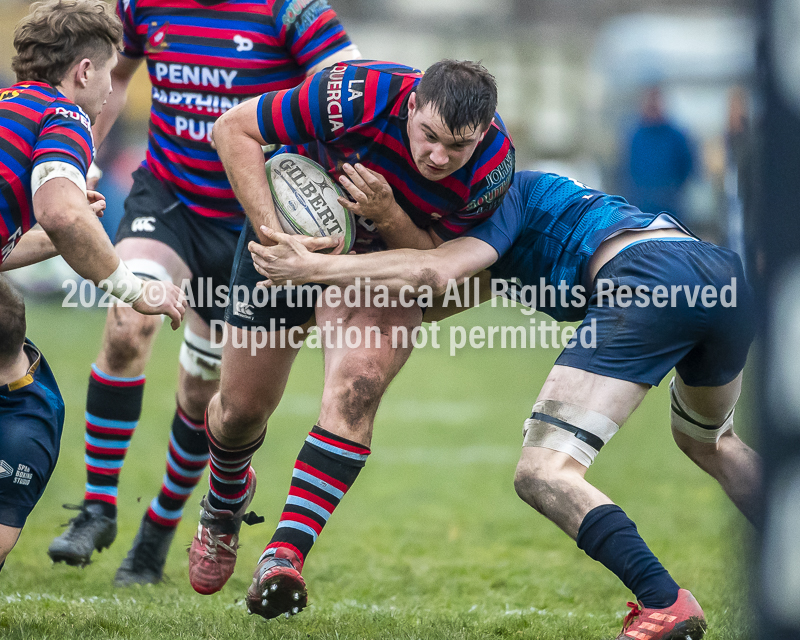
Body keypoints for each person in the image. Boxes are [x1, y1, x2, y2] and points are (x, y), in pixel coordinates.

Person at [249, 170, 759, 640]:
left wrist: (312, 266)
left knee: (543, 473)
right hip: (717, 275)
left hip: (648, 279)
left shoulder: (500, 202)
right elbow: (430, 297)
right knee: (711, 441)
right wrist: (324, 306)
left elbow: (429, 270)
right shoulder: (507, 240)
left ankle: (664, 601)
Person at [47, 0, 361, 586]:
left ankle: (157, 534)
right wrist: (79, 156)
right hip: (167, 198)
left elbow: (348, 92)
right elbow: (112, 76)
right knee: (126, 324)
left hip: (252, 224)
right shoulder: (140, 5)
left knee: (202, 397)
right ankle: (97, 507)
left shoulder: (292, 12)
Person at [192, 58, 515, 618]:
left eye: (456, 146)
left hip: (379, 267)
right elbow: (233, 130)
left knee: (358, 387)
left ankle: (283, 556)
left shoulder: (491, 171)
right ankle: (224, 499)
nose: (437, 156)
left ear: (482, 134)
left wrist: (387, 211)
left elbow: (433, 259)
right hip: (287, 237)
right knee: (240, 411)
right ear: (412, 105)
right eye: (429, 136)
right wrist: (278, 237)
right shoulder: (355, 93)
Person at [0, 0, 185, 573]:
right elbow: (62, 213)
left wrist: (62, 236)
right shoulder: (61, 116)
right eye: (110, 73)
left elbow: (42, 233)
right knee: (27, 406)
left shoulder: (9, 107)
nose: (112, 90)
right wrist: (137, 290)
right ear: (84, 71)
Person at [620, 86, 694, 217]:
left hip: (670, 205)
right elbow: (626, 168)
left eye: (656, 101)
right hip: (641, 206)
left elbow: (687, 166)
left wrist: (673, 189)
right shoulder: (635, 136)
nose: (652, 106)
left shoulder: (676, 136)